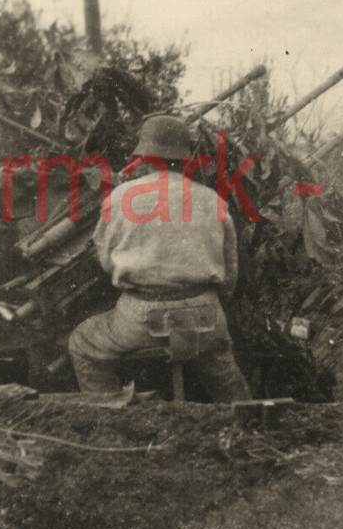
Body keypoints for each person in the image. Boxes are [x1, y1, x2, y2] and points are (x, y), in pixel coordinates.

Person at [67, 116, 251, 401]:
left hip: (141, 316)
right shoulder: (212, 199)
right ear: (187, 158)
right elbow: (230, 272)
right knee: (223, 371)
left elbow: (105, 259)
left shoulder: (121, 197)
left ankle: (110, 419)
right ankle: (250, 422)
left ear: (144, 156)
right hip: (204, 313)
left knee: (83, 342)